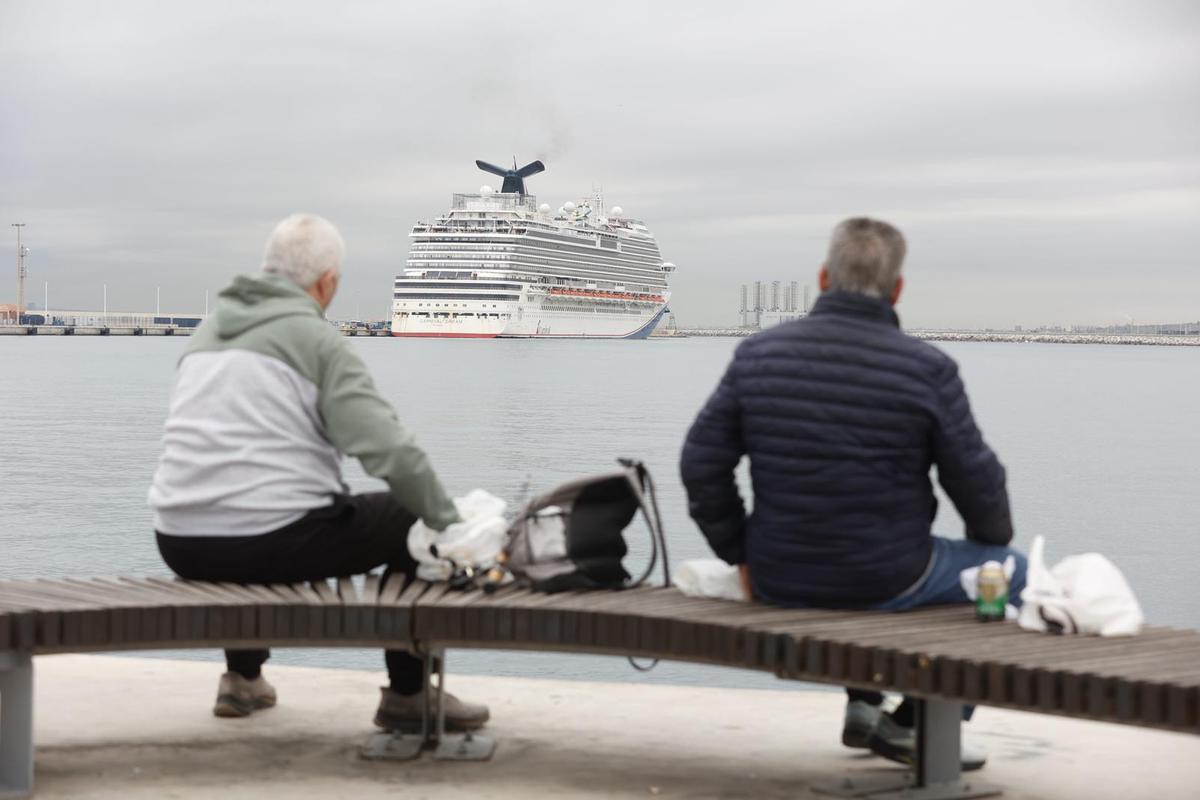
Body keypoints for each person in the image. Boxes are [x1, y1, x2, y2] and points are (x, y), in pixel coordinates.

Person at [680, 217, 1025, 770]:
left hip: (776, 573)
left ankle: (864, 708)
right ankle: (908, 725)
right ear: (898, 289)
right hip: (889, 575)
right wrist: (991, 548)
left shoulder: (757, 356)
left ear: (822, 277)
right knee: (1010, 573)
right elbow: (978, 484)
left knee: (843, 528)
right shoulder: (926, 369)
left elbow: (700, 464)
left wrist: (739, 552)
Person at [148, 213, 488, 731]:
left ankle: (242, 680)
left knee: (247, 505)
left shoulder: (207, 334)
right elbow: (390, 453)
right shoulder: (315, 339)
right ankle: (409, 694)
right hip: (266, 542)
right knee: (405, 518)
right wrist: (448, 521)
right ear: (326, 282)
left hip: (179, 539)